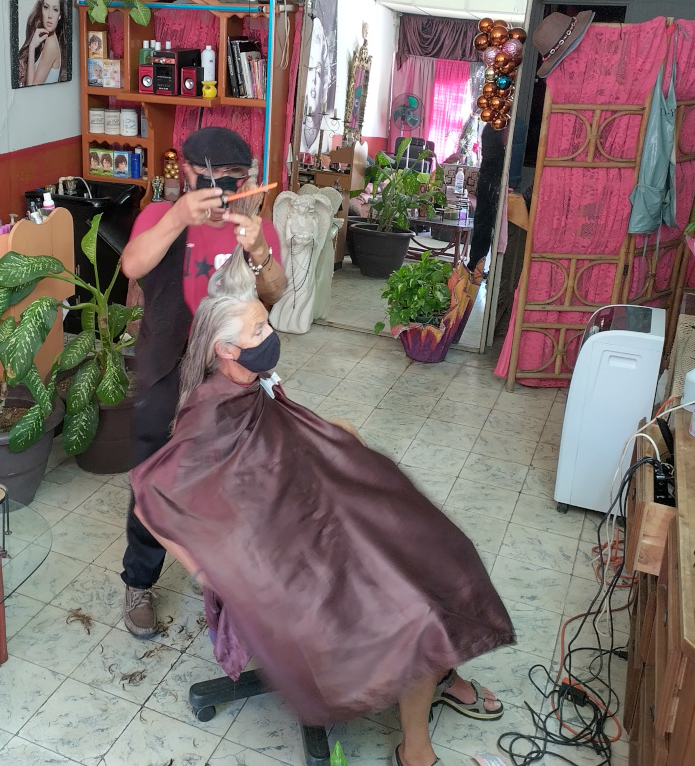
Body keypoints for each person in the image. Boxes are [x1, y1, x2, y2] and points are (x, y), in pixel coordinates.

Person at [131, 253, 510, 766]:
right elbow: (149, 495)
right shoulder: (209, 414)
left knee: (434, 549)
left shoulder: (249, 380)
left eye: (266, 324)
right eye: (259, 330)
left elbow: (280, 433)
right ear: (225, 349)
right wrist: (206, 572)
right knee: (412, 607)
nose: (270, 335)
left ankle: (438, 671)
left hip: (306, 514)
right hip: (285, 556)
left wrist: (333, 437)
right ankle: (416, 748)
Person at [118, 126, 287, 637]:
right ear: (187, 172)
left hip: (229, 373)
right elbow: (131, 265)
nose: (222, 192)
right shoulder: (159, 216)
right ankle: (139, 581)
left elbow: (276, 293)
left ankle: (229, 580)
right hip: (166, 366)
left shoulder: (254, 226)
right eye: (211, 179)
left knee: (233, 479)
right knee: (153, 476)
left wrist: (259, 252)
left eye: (234, 180)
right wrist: (178, 216)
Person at [18, 0, 68, 86]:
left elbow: (32, 88)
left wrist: (32, 47)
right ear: (41, 9)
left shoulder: (51, 44)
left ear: (60, 15)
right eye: (46, 7)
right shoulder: (47, 40)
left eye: (55, 9)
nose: (50, 15)